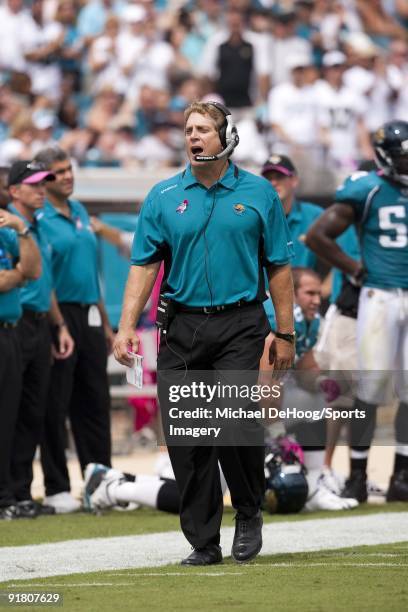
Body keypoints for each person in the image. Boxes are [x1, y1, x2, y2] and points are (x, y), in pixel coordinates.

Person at [114, 101, 295, 566]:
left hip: (241, 322)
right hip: (182, 326)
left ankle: (249, 511)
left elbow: (278, 267)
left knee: (236, 424)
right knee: (188, 438)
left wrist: (286, 333)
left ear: (225, 138)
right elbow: (144, 265)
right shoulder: (163, 195)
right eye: (188, 130)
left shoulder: (258, 193)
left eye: (202, 130)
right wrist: (127, 326)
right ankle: (204, 541)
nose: (193, 137)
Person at [306, 120, 408, 503]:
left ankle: (401, 475)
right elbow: (318, 235)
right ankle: (357, 475)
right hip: (379, 294)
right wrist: (353, 268)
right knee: (370, 387)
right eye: (403, 156)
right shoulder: (367, 189)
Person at [32, 146, 113, 514]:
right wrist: (57, 323)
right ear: (43, 180)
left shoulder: (79, 211)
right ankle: (56, 486)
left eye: (69, 169)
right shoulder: (40, 218)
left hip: (90, 314)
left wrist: (108, 325)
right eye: (58, 172)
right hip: (58, 314)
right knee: (56, 402)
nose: (67, 176)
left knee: (95, 400)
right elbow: (45, 277)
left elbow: (92, 276)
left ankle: (102, 482)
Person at [6, 160, 75, 517]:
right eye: (33, 184)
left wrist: (59, 324)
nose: (41, 189)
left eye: (42, 184)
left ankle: (20, 491)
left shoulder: (38, 227)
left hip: (39, 324)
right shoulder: (9, 226)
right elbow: (23, 276)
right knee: (11, 409)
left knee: (33, 410)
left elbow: (43, 283)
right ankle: (8, 493)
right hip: (14, 325)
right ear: (14, 190)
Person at [261, 267, 358, 511]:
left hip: (255, 405)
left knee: (319, 394)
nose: (317, 299)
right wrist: (277, 433)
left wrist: (322, 382)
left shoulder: (309, 321)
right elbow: (265, 384)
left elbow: (305, 369)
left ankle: (316, 482)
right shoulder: (280, 317)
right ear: (291, 293)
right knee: (199, 494)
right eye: (309, 293)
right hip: (233, 410)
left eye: (318, 293)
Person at [0, 203, 41, 519]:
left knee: (9, 418)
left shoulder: (6, 228)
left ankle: (6, 497)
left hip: (10, 332)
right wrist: (16, 275)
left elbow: (34, 270)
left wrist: (23, 230)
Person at [260, 153, 322, 269]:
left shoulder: (314, 215)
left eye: (279, 177)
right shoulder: (255, 217)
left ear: (294, 180)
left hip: (305, 285)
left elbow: (347, 248)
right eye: (268, 178)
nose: (273, 183)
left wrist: (326, 286)